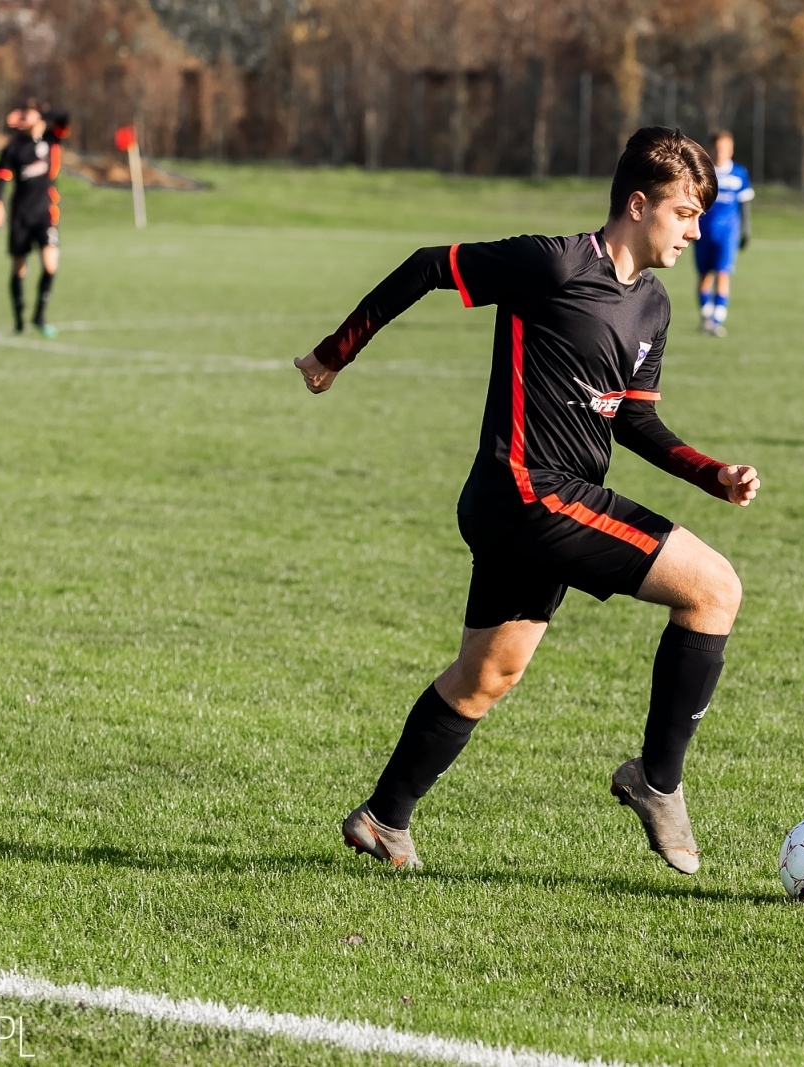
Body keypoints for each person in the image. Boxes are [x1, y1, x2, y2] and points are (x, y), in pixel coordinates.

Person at [294, 127, 761, 875]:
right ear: (638, 205)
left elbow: (632, 417)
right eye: (684, 213)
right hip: (527, 494)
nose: (695, 230)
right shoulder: (552, 263)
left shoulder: (653, 307)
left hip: (542, 505)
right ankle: (658, 781)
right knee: (714, 590)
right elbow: (428, 266)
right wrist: (333, 352)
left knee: (487, 675)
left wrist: (713, 473)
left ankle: (384, 817)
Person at [0, 102, 70, 337]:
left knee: (50, 264)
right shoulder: (14, 148)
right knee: (19, 268)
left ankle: (39, 315)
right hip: (21, 215)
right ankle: (19, 319)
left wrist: (40, 114)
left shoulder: (52, 139)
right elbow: (2, 177)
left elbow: (64, 115)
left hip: (46, 213)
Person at [692, 130, 754, 337]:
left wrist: (746, 230)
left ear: (731, 149)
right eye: (718, 149)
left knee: (723, 273)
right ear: (711, 149)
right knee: (704, 276)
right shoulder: (703, 172)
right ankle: (706, 316)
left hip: (728, 233)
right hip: (703, 232)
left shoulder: (739, 174)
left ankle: (717, 319)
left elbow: (745, 204)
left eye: (726, 148)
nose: (722, 152)